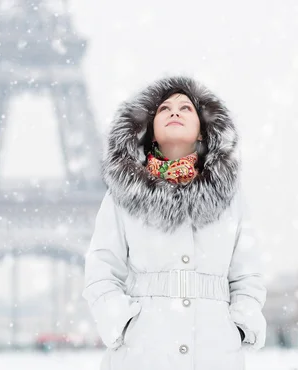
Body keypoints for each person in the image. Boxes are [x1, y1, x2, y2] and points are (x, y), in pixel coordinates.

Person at [82, 76, 267, 370]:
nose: (175, 111)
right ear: (151, 131)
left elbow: (247, 272)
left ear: (203, 131)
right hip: (142, 353)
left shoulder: (231, 195)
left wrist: (240, 324)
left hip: (216, 352)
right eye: (164, 108)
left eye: (186, 108)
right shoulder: (122, 194)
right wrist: (120, 322)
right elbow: (102, 267)